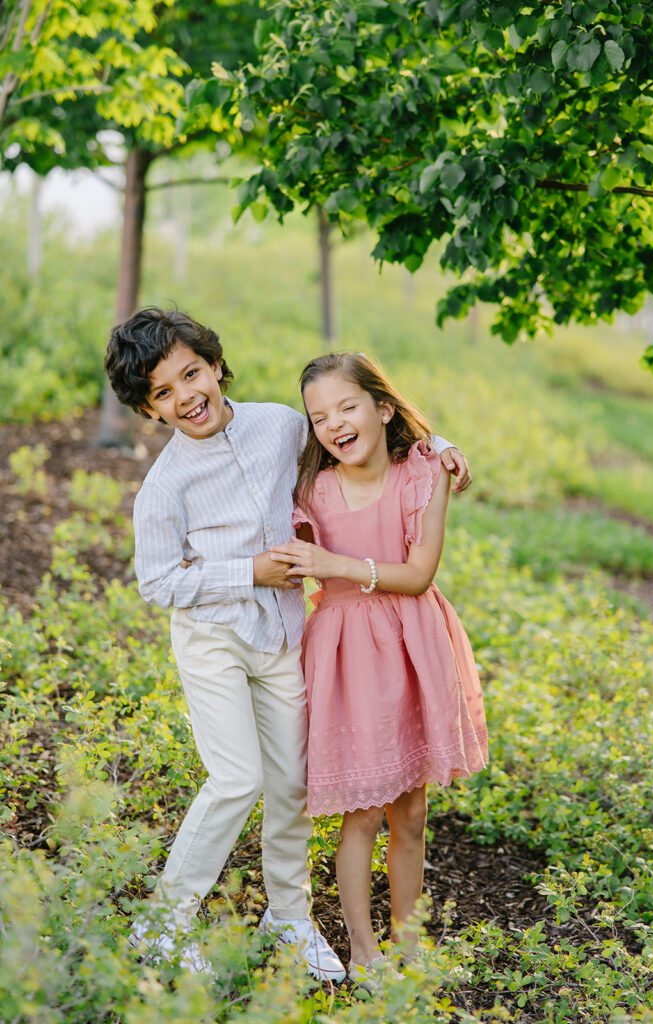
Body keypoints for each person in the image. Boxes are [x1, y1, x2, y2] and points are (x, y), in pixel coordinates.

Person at [104, 308, 472, 980]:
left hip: (284, 633)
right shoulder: (164, 487)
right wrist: (246, 571)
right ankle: (162, 922)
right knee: (237, 776)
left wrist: (438, 440)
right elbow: (156, 580)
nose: (186, 395)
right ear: (150, 409)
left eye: (191, 372)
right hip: (215, 637)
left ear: (216, 366)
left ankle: (288, 914)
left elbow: (355, 425)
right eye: (163, 391)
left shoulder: (278, 424)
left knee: (293, 782)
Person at [269, 352, 488, 991]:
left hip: (415, 644)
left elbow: (419, 575)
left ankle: (408, 940)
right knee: (362, 810)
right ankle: (363, 947)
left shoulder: (423, 475)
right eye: (319, 417)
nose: (334, 423)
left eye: (347, 406)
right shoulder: (308, 490)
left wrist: (333, 563)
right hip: (346, 655)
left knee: (411, 811)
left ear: (382, 408)